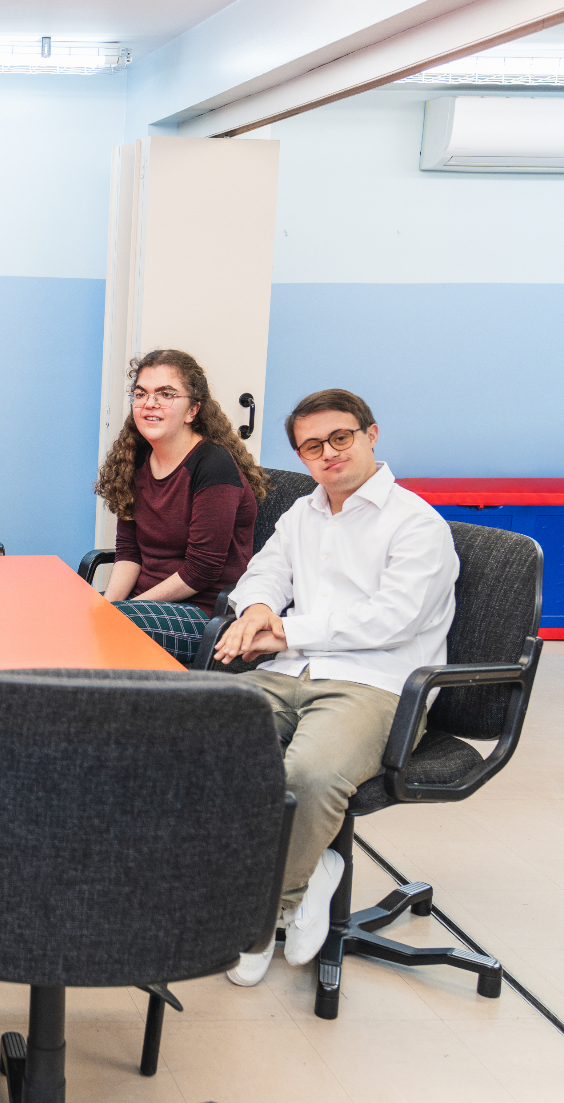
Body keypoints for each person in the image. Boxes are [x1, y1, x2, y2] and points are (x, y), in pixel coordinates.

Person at [214, 388, 457, 987]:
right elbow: (265, 571)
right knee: (196, 743)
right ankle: (306, 867)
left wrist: (285, 630)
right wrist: (257, 609)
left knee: (306, 774)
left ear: (371, 435)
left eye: (340, 437)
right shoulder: (304, 513)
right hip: (288, 672)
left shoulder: (417, 524)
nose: (328, 453)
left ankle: (269, 911)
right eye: (311, 446)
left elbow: (391, 620)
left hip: (375, 685)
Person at [93, 348, 268, 664]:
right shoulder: (134, 461)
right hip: (142, 606)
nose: (150, 403)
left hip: (204, 614)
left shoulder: (213, 464)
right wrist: (108, 606)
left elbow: (201, 571)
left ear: (192, 411)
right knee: (72, 614)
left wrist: (124, 611)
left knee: (107, 626)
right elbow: (129, 553)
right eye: (141, 394)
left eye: (166, 394)